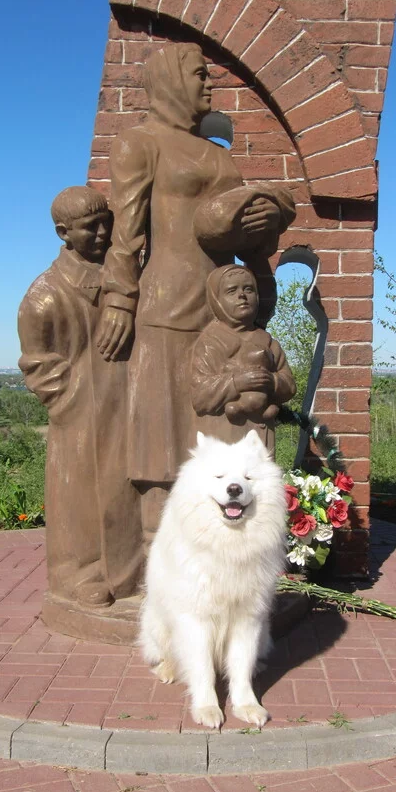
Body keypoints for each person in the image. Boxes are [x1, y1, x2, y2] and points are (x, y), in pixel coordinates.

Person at [97, 43, 295, 546]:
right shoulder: (140, 143)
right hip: (164, 307)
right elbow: (127, 230)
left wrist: (264, 227)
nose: (210, 84)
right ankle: (154, 553)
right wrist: (119, 299)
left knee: (217, 439)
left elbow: (247, 235)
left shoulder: (220, 159)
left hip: (221, 313)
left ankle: (220, 547)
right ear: (167, 81)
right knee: (162, 443)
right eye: (199, 75)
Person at [17, 186, 142, 607]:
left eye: (107, 222)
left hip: (129, 401)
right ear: (63, 233)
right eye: (92, 227)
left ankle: (131, 571)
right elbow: (38, 365)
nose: (105, 232)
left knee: (127, 487)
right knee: (81, 495)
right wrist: (75, 405)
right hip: (81, 415)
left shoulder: (123, 279)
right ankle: (78, 574)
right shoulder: (44, 296)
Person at [191, 265, 296, 446]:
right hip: (224, 436)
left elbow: (290, 384)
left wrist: (273, 381)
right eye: (232, 291)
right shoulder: (211, 342)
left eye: (248, 289)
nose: (242, 296)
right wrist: (237, 382)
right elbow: (200, 395)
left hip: (260, 436)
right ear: (217, 300)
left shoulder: (268, 342)